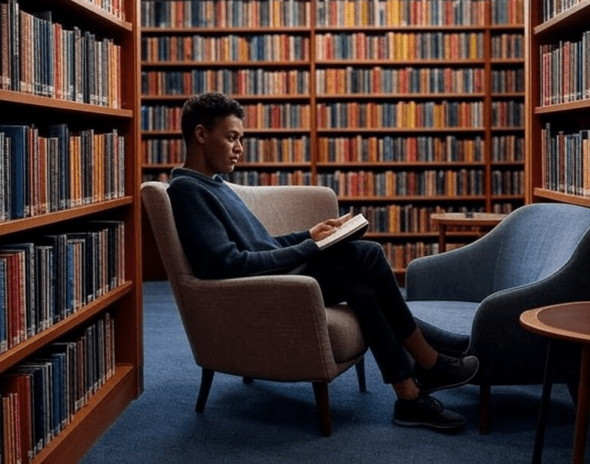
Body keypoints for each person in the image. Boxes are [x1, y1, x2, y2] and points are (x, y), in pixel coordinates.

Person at [167, 92, 479, 431]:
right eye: (231, 137)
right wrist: (312, 250)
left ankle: (408, 396)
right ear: (200, 135)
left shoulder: (216, 185)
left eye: (240, 138)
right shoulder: (187, 190)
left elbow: (263, 245)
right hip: (267, 289)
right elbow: (229, 264)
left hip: (283, 276)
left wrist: (310, 235)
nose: (239, 147)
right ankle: (430, 360)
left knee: (362, 290)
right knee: (368, 255)